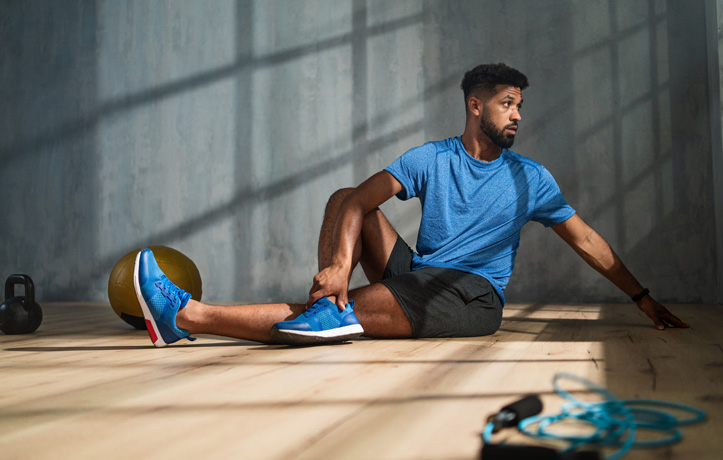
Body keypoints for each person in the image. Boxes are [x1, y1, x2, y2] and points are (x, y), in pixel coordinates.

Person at [133, 63, 689, 348]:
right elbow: (357, 202)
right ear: (476, 107)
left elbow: (588, 240)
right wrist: (336, 269)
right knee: (342, 198)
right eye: (507, 104)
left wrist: (640, 296)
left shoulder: (530, 178)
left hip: (470, 296)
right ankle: (334, 307)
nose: (517, 115)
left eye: (520, 105)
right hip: (422, 275)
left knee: (348, 311)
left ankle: (186, 315)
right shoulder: (433, 158)